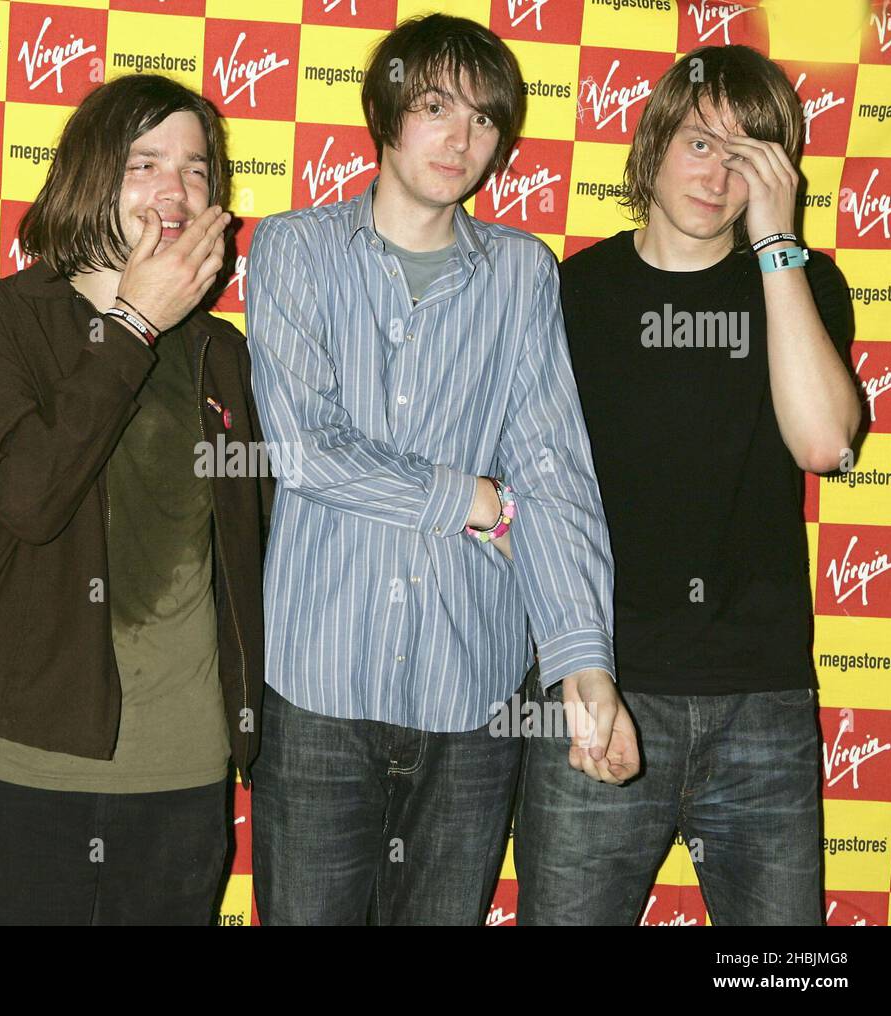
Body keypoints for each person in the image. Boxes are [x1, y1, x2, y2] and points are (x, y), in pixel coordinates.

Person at [245, 13, 638, 926]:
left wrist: (584, 665)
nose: (461, 140)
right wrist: (470, 497)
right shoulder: (294, 248)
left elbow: (553, 468)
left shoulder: (522, 274)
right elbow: (304, 449)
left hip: (475, 697)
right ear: (386, 112)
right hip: (317, 691)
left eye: (485, 121)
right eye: (434, 107)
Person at [515, 44, 860, 926]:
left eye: (750, 158)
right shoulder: (571, 293)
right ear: (654, 142)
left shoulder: (801, 284)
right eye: (702, 144)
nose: (719, 176)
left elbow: (825, 443)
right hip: (599, 687)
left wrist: (777, 245)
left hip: (763, 700)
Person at [0, 73, 269, 926]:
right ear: (89, 175)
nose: (177, 189)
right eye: (145, 162)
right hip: (31, 762)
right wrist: (132, 325)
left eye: (197, 170)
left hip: (187, 770)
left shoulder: (221, 353)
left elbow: (255, 544)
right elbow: (31, 499)